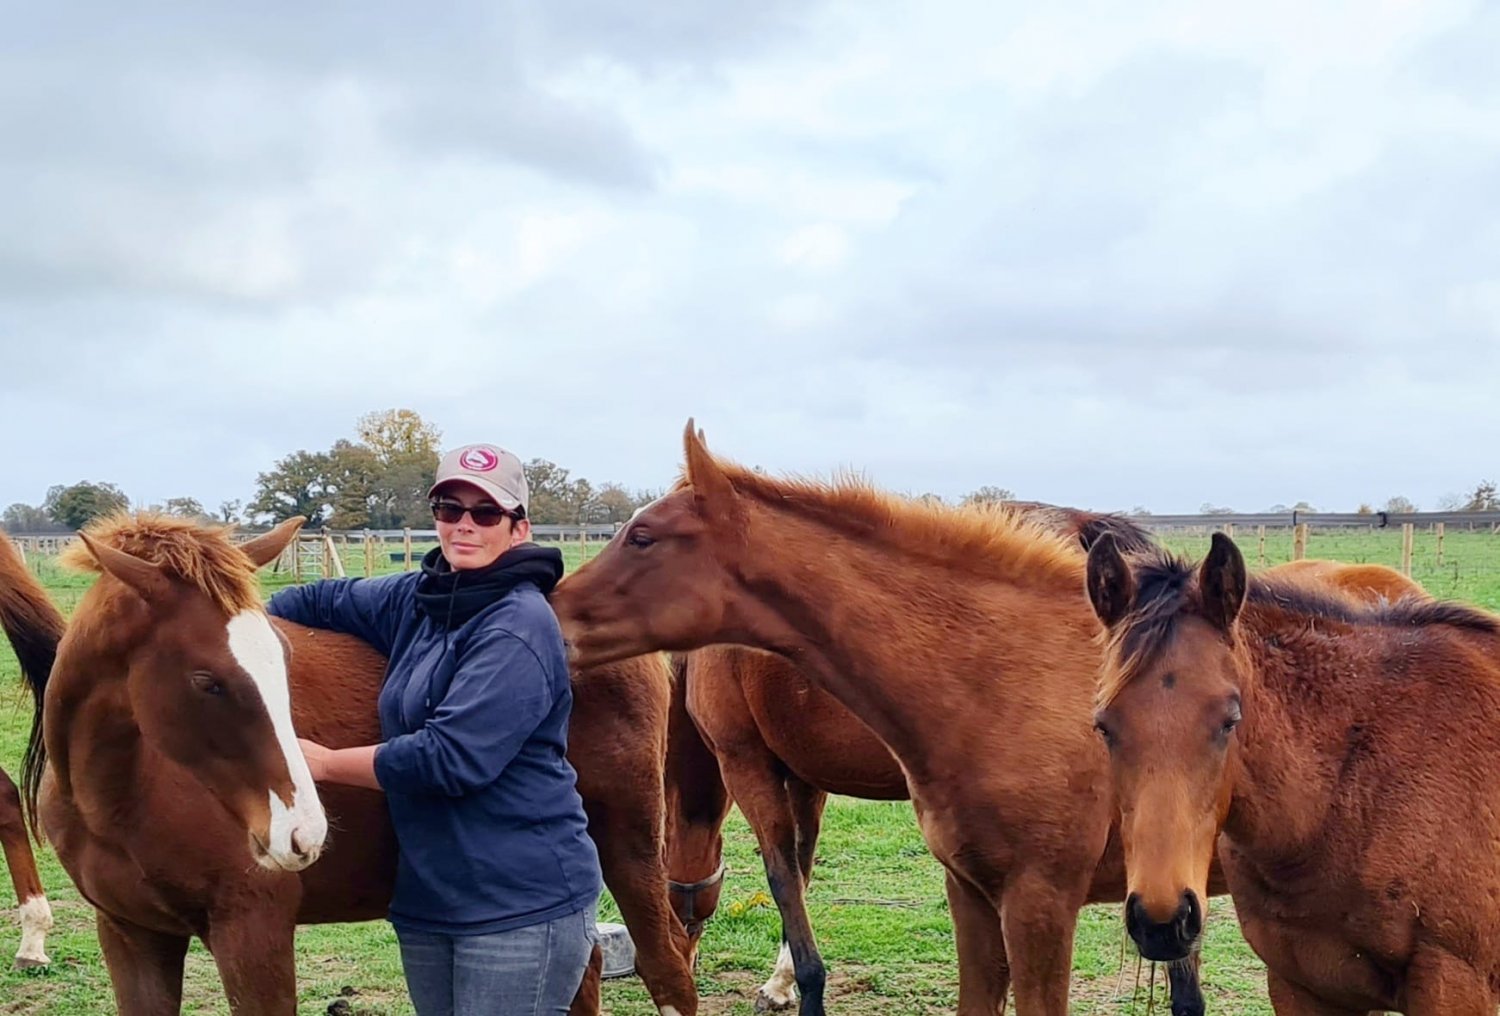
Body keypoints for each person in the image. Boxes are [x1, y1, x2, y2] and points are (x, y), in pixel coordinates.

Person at [266, 442, 601, 1016]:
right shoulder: (417, 599)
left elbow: (451, 758)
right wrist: (236, 623)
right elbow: (316, 598)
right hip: (431, 901)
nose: (465, 525)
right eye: (450, 509)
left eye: (486, 513)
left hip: (518, 905)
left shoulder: (518, 625)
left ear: (518, 530)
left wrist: (322, 763)